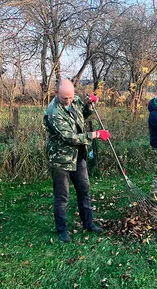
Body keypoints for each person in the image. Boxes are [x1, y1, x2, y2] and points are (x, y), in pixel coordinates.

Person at [43, 79, 110, 243]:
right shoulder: (53, 112)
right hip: (61, 160)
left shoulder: (75, 101)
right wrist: (95, 135)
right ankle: (62, 231)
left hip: (78, 156)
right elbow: (70, 137)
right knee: (62, 197)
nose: (68, 100)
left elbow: (84, 114)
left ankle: (88, 223)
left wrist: (89, 105)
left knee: (84, 190)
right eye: (65, 98)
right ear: (56, 93)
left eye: (71, 97)